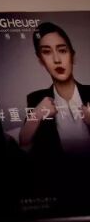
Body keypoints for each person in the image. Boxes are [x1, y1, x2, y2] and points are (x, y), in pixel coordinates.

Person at [20, 22, 90, 156]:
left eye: (62, 50)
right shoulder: (36, 99)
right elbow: (23, 145)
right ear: (41, 60)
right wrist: (36, 116)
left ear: (72, 56)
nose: (57, 59)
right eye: (47, 52)